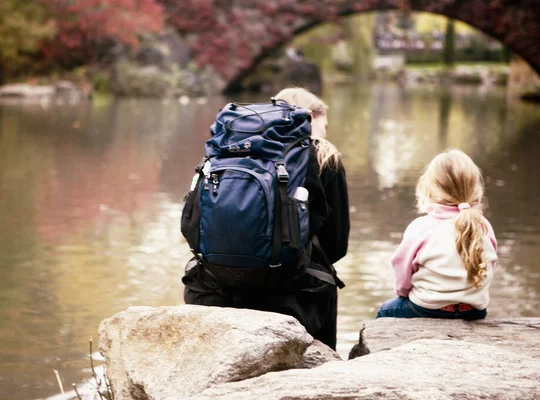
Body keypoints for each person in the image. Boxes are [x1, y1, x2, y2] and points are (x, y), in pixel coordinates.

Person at [182, 88, 350, 350]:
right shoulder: (323, 155)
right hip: (294, 299)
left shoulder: (226, 149)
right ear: (311, 116)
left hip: (213, 289)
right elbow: (336, 244)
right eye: (324, 124)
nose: (325, 132)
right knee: (324, 273)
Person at [376, 149, 498, 320]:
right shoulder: (484, 226)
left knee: (386, 310)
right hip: (474, 310)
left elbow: (402, 269)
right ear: (475, 189)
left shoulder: (423, 227)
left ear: (431, 189)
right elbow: (489, 267)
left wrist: (403, 293)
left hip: (428, 308)